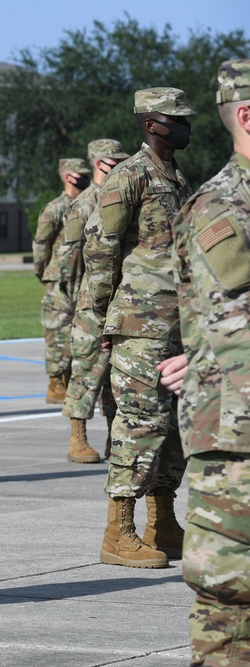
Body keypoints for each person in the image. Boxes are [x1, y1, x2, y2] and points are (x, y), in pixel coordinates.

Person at [85, 87, 195, 568]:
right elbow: (100, 248)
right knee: (138, 424)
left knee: (172, 430)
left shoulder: (175, 175)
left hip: (177, 323)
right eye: (176, 119)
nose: (185, 126)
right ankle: (119, 531)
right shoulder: (129, 175)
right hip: (138, 325)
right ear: (151, 122)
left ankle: (163, 523)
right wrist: (105, 317)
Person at [170, 58, 250, 667]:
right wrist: (200, 358)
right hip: (237, 443)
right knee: (230, 605)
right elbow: (234, 328)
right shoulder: (221, 208)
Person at [60, 139, 130, 463]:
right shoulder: (85, 204)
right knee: (87, 372)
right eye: (115, 160)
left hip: (119, 300)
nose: (120, 165)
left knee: (114, 379)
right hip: (89, 303)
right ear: (100, 163)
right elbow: (70, 259)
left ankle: (112, 440)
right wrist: (74, 306)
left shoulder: (122, 196)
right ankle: (78, 439)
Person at [33, 158, 91, 403]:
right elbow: (41, 243)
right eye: (81, 174)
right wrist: (44, 271)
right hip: (59, 278)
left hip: (83, 276)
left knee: (82, 331)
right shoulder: (55, 208)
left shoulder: (88, 203)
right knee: (57, 331)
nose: (85, 178)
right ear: (68, 176)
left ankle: (78, 382)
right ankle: (57, 384)